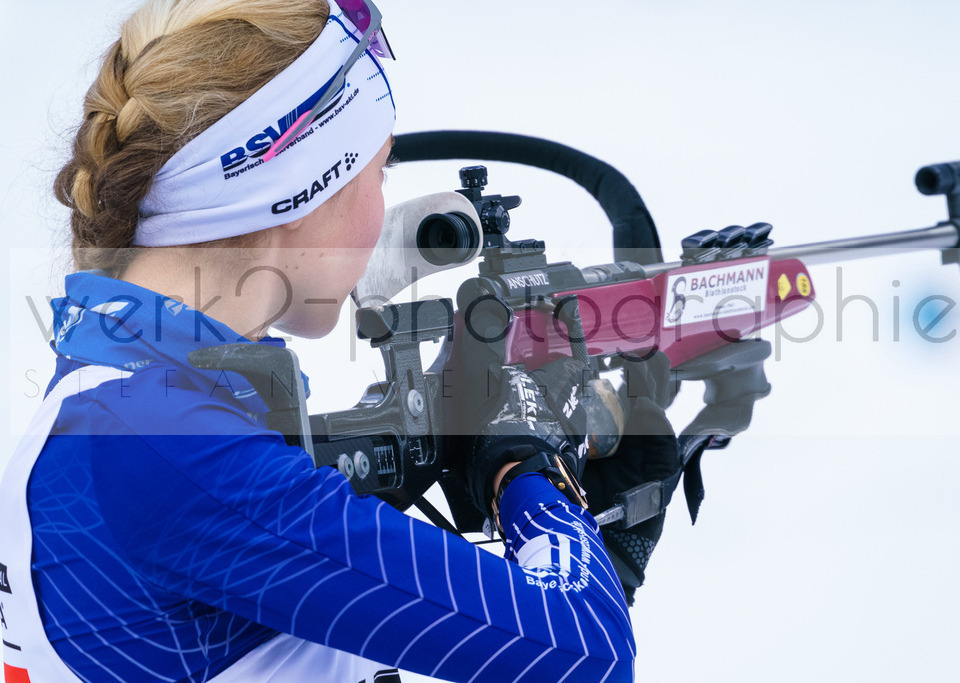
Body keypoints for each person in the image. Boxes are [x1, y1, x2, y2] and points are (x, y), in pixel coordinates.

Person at [0, 1, 695, 681]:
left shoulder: (129, 405)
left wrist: (588, 552)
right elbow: (586, 654)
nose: (383, 206)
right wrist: (527, 467)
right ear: (305, 187)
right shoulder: (165, 448)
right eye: (379, 169)